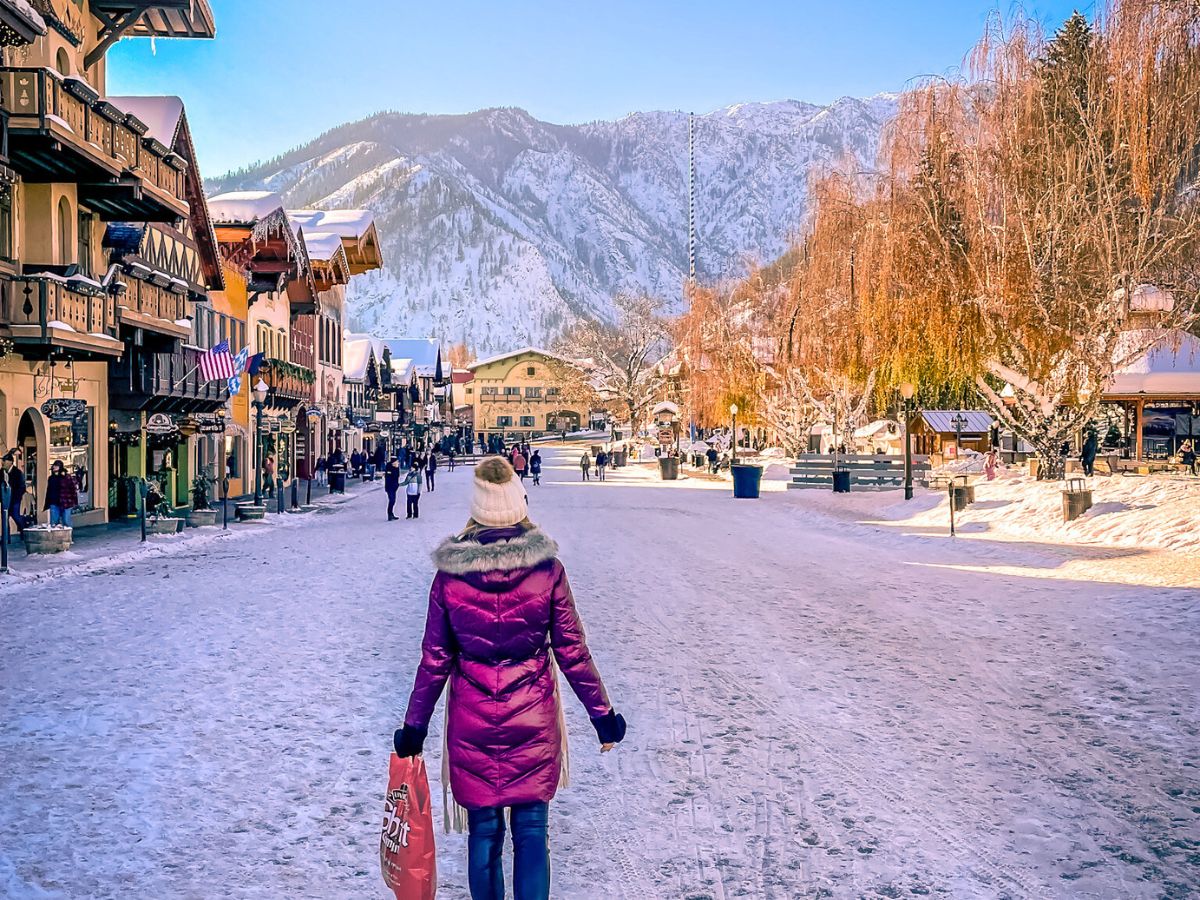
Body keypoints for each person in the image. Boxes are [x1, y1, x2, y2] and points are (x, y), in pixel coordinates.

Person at [394, 457, 625, 900]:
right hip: (533, 721)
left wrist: (414, 729)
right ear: (518, 503)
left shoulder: (450, 577)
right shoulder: (547, 571)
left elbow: (435, 659)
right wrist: (603, 716)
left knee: (483, 832)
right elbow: (572, 650)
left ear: (478, 509)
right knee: (532, 831)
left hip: (473, 722)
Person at [44, 460, 78, 528]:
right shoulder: (51, 478)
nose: (54, 468)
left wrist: (74, 501)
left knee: (66, 521)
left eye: (56, 466)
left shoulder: (66, 477)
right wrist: (48, 502)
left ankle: (67, 536)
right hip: (54, 501)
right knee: (54, 522)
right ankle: (56, 537)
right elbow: (49, 490)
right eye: (54, 466)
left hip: (66, 502)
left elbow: (73, 489)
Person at [4, 452, 26, 538]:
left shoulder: (18, 473)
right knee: (5, 519)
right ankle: (6, 538)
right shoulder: (2, 472)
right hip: (5, 499)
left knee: (16, 516)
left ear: (10, 462)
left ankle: (23, 531)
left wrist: (17, 497)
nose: (2, 463)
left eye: (4, 461)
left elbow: (22, 487)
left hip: (15, 499)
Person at [384, 456, 402, 521]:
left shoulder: (397, 468)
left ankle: (391, 514)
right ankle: (389, 514)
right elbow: (389, 477)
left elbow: (398, 475)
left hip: (394, 487)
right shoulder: (389, 467)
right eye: (397, 461)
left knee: (393, 501)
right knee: (391, 500)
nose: (398, 463)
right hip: (389, 487)